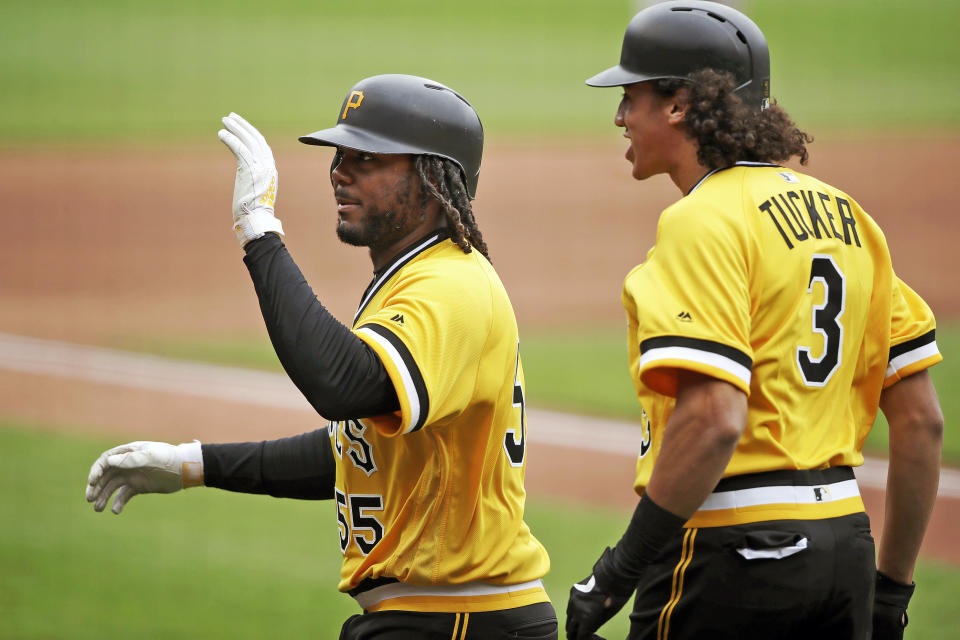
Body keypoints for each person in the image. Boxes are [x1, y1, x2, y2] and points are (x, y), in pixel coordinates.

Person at [85, 73, 558, 640]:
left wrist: (259, 229)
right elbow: (354, 451)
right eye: (339, 156)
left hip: (460, 621)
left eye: (367, 158)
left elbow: (341, 386)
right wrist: (193, 464)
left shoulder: (451, 286)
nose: (340, 171)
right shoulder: (413, 281)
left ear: (433, 177)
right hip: (442, 617)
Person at [564, 3, 944, 639]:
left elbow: (714, 418)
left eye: (631, 97)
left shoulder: (701, 219)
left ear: (680, 104)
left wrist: (619, 571)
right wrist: (890, 592)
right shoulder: (848, 217)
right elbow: (922, 421)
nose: (620, 117)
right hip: (843, 547)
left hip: (730, 554)